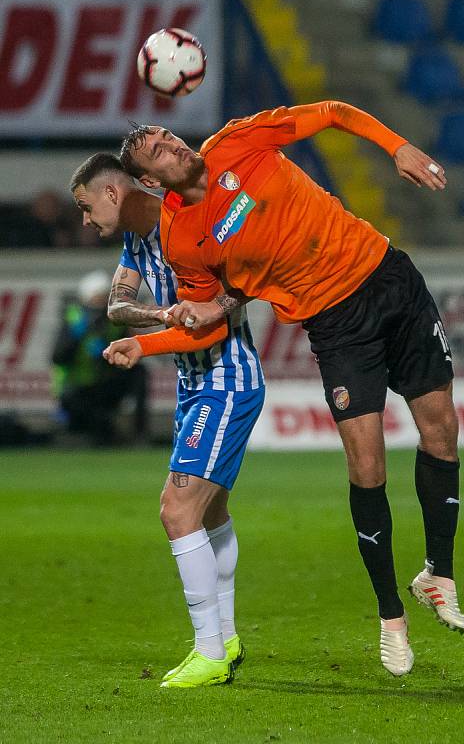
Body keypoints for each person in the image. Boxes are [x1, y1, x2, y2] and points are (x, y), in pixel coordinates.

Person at [107, 100, 464, 677]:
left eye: (170, 135)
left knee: (442, 431)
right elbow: (210, 322)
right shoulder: (183, 241)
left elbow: (331, 112)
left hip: (387, 277)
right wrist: (146, 343)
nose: (175, 144)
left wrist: (395, 145)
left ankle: (439, 573)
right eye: (159, 150)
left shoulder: (236, 142)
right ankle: (390, 617)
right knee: (368, 467)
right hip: (336, 324)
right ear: (150, 181)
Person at [69, 153, 265, 688]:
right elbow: (116, 303)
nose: (86, 221)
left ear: (112, 193)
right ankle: (224, 639)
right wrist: (158, 314)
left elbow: (218, 322)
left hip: (225, 381)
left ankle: (208, 650)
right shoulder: (138, 237)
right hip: (194, 386)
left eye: (87, 208)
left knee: (176, 509)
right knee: (208, 514)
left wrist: (146, 341)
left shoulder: (194, 226)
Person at [51, 269, 147, 445]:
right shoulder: (74, 320)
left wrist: (107, 353)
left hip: (104, 383)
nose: (101, 305)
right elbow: (57, 357)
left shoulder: (115, 322)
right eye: (97, 299)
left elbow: (131, 356)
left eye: (104, 299)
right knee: (93, 424)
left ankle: (139, 433)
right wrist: (76, 338)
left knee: (140, 373)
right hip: (76, 388)